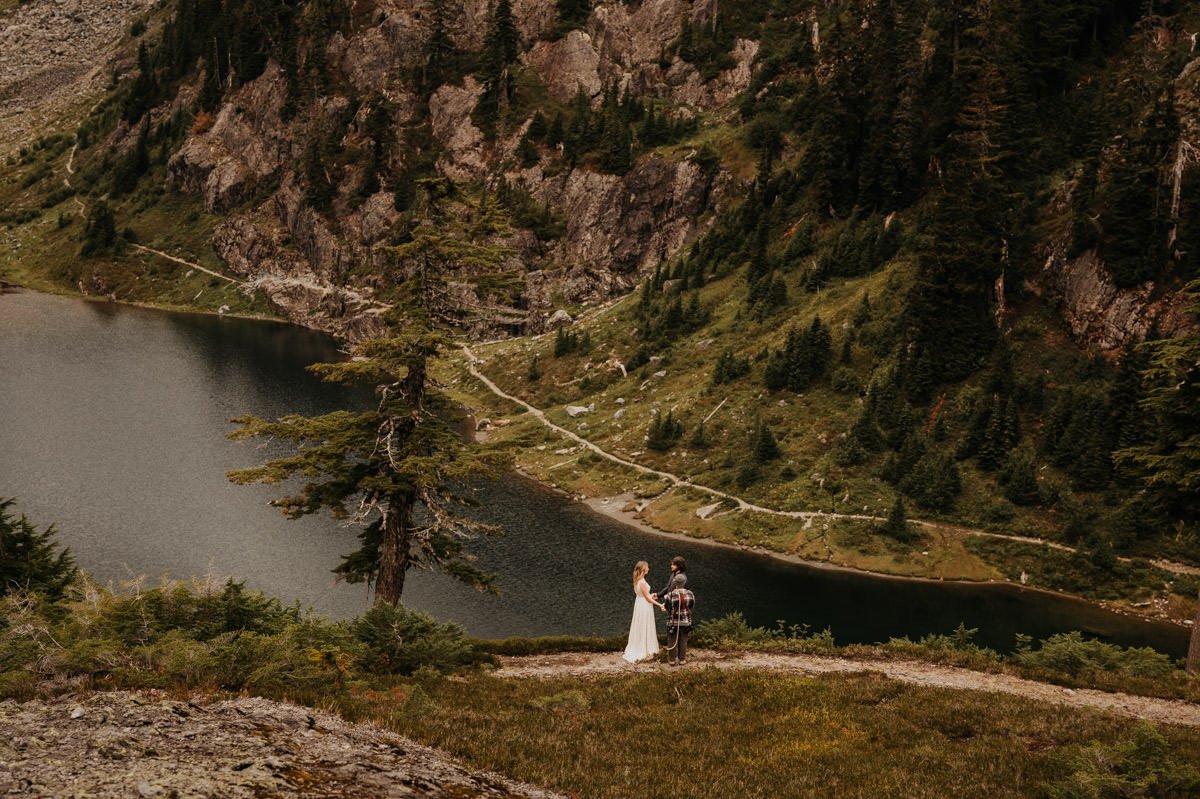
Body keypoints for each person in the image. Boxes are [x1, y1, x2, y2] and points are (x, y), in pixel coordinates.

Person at [622, 560, 663, 663]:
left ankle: (642, 645)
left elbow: (644, 595)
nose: (648, 569)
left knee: (641, 625)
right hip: (644, 606)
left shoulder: (637, 581)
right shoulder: (642, 582)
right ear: (644, 569)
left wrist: (651, 595)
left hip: (640, 604)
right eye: (647, 567)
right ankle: (645, 648)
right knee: (645, 624)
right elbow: (647, 599)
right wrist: (660, 605)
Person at [660, 572, 694, 666]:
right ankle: (682, 660)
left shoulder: (670, 595)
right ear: (685, 582)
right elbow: (691, 606)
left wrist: (665, 609)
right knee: (683, 639)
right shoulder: (690, 593)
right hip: (685, 621)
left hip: (672, 622)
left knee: (671, 639)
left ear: (674, 582)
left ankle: (672, 660)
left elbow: (667, 608)